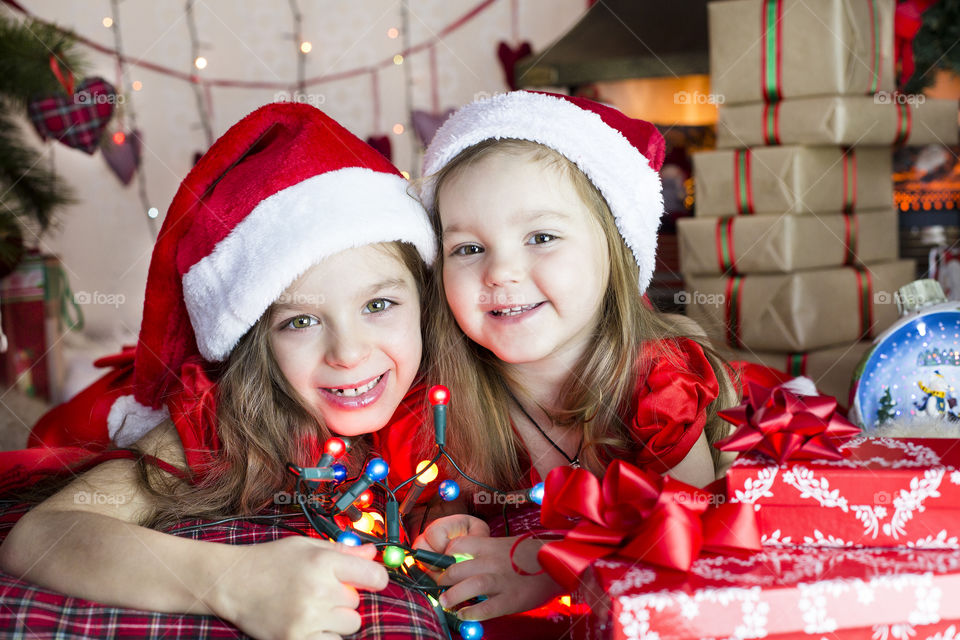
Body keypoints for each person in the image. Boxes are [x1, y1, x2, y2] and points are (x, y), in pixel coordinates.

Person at [0, 102, 444, 640]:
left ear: (425, 302)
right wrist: (233, 581)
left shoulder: (442, 412)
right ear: (256, 339)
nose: (348, 353)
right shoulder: (223, 424)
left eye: (378, 305)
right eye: (301, 320)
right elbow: (39, 536)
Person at [411, 91, 740, 622]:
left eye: (541, 236)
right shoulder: (448, 400)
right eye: (468, 248)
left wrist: (547, 564)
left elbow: (692, 532)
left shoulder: (655, 383)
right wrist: (450, 530)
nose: (500, 272)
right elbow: (442, 513)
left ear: (616, 252)